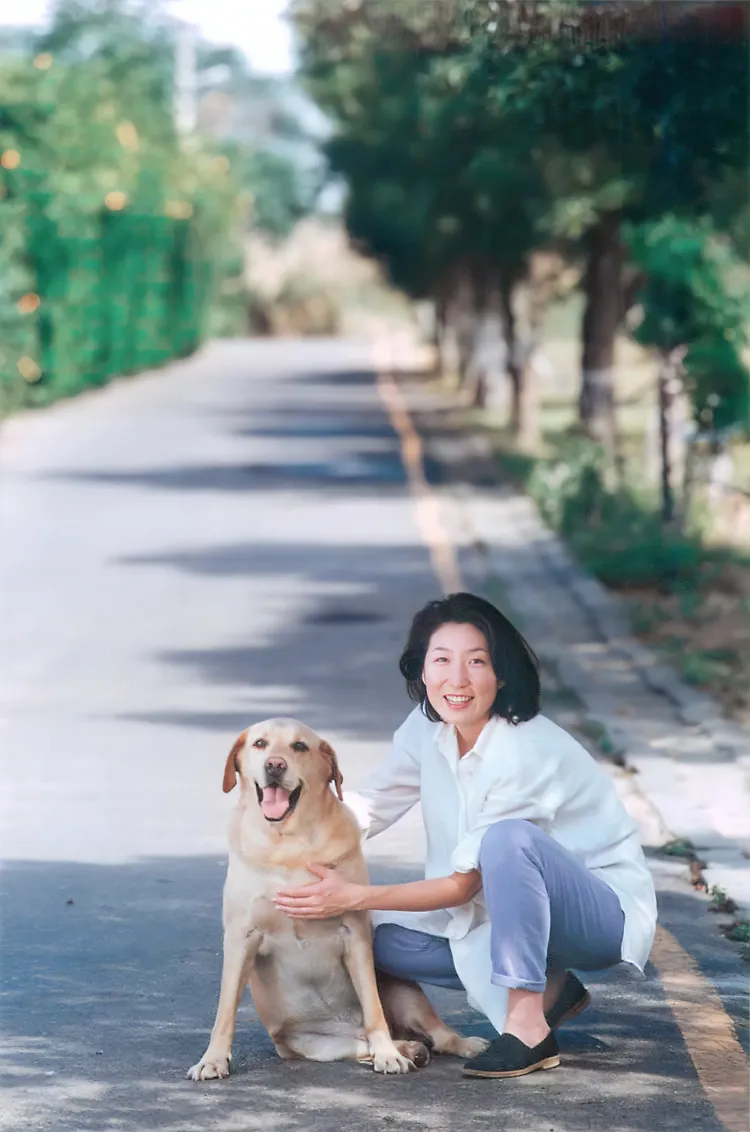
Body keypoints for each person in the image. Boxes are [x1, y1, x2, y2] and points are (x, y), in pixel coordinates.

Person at [274, 592, 657, 1079]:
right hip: (507, 915)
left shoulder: (525, 749)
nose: (457, 679)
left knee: (505, 840)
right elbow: (373, 804)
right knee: (374, 938)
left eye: (476, 661)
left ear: (501, 673)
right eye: (442, 660)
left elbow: (463, 885)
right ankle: (553, 991)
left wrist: (354, 894)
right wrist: (291, 827)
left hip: (597, 913)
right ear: (422, 671)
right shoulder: (426, 728)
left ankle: (528, 1029)